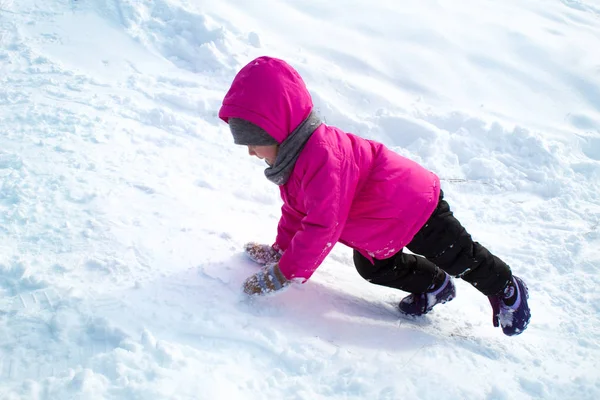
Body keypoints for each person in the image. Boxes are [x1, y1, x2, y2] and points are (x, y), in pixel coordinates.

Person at [218, 56, 531, 336]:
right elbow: (298, 212)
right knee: (374, 268)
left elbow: (321, 227)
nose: (250, 152)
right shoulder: (294, 160)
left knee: (458, 256)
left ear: (278, 131)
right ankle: (434, 285)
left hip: (413, 206)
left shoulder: (322, 157)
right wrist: (281, 251)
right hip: (378, 222)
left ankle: (507, 287)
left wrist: (285, 273)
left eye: (254, 142)